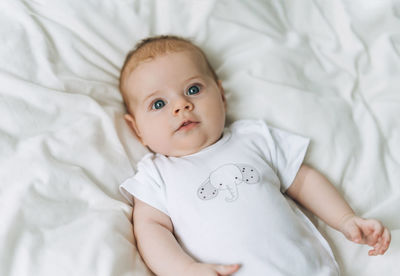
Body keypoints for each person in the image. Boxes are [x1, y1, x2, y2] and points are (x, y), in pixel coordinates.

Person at [118, 35, 391, 276]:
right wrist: (184, 270)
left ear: (221, 95)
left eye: (193, 89)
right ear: (136, 129)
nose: (181, 105)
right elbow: (150, 230)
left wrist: (345, 219)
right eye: (158, 104)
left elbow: (304, 180)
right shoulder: (157, 175)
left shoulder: (253, 138)